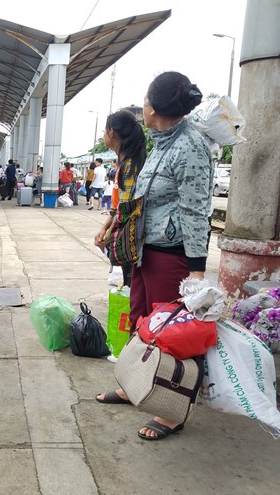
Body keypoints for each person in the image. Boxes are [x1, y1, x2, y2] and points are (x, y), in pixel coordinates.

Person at [95, 71, 212, 441]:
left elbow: (196, 213)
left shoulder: (191, 147)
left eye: (145, 100)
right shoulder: (160, 142)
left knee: (170, 334)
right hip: (147, 249)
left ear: (155, 107)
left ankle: (171, 411)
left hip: (172, 255)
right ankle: (135, 385)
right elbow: (138, 198)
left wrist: (196, 272)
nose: (142, 107)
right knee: (141, 319)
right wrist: (112, 227)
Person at [94, 109, 147, 288]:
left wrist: (108, 235)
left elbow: (127, 209)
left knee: (132, 286)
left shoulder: (130, 166)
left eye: (104, 130)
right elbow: (118, 206)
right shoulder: (125, 164)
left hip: (131, 239)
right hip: (127, 233)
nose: (103, 135)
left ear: (111, 132)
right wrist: (105, 228)